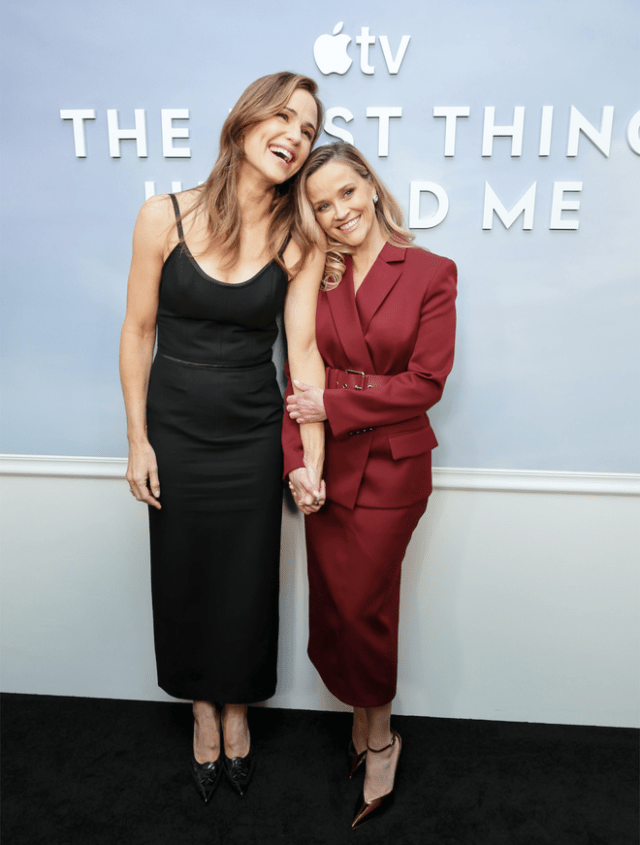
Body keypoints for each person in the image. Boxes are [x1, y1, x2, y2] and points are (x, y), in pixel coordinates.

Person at [119, 71, 327, 804]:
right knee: (181, 576)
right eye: (284, 118)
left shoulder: (298, 238)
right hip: (173, 430)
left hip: (250, 436)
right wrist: (138, 440)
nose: (296, 136)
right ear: (243, 124)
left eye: (308, 130)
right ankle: (201, 713)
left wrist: (314, 457)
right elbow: (139, 331)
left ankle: (238, 712)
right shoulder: (160, 216)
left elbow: (302, 356)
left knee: (245, 583)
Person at [284, 142, 457, 829]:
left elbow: (425, 383)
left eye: (346, 194)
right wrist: (298, 456)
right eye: (321, 205)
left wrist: (337, 402)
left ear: (371, 186)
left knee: (365, 608)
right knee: (332, 605)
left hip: (391, 466)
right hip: (327, 467)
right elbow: (296, 373)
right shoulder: (312, 277)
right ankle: (360, 720)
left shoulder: (431, 270)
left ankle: (381, 737)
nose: (338, 213)